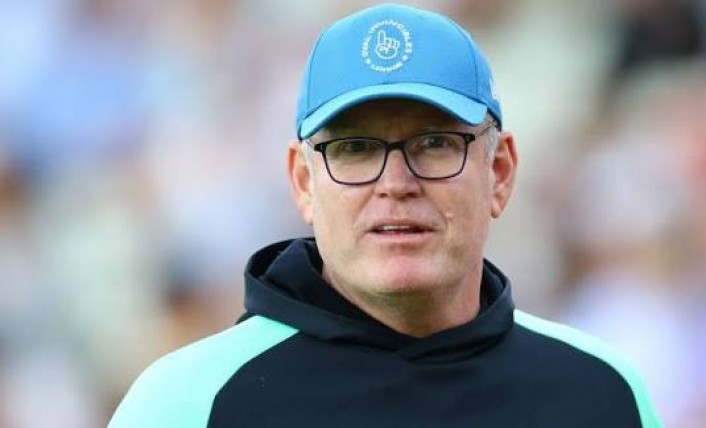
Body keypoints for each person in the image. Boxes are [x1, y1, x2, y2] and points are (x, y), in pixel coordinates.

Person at [109, 4, 661, 427]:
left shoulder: (600, 393)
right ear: (304, 183)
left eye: (435, 143)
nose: (396, 184)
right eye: (355, 149)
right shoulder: (189, 404)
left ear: (499, 172)